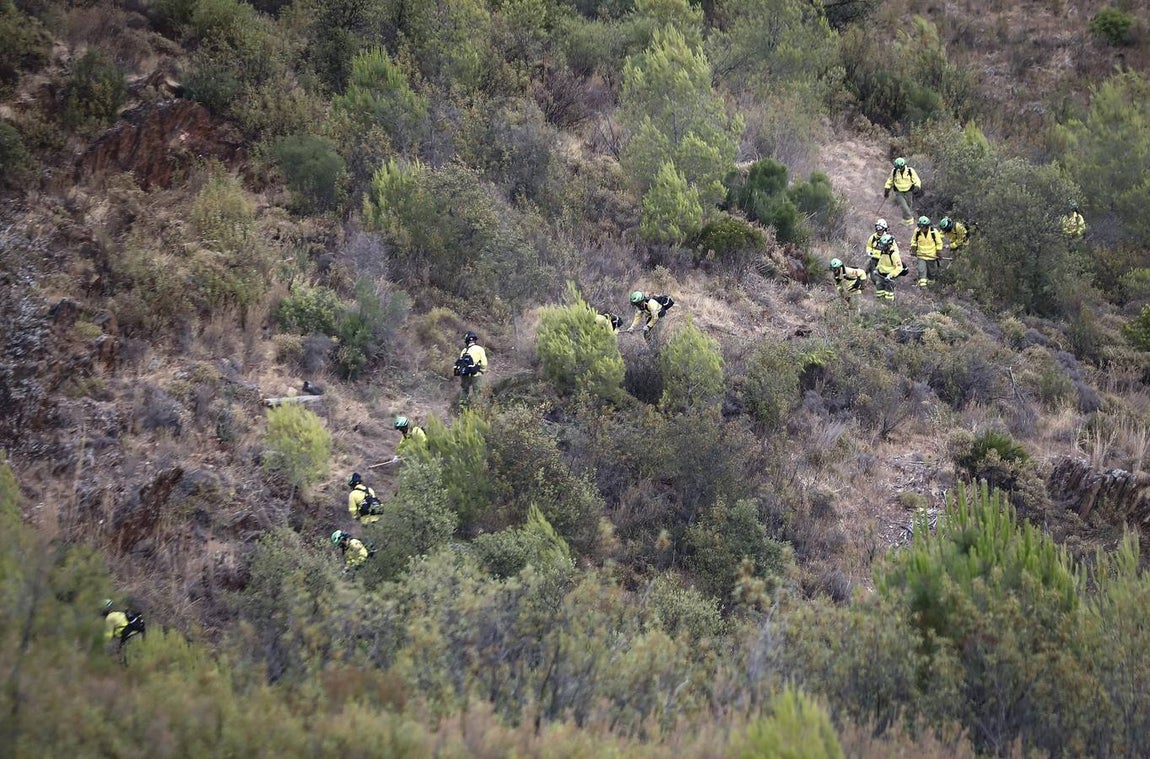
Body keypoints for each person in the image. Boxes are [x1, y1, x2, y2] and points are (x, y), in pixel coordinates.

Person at [883, 157, 922, 224]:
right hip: (899, 192)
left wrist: (917, 187)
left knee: (908, 206)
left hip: (909, 191)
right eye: (897, 168)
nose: (899, 169)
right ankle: (910, 220)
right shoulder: (894, 171)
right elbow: (890, 180)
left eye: (900, 168)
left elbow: (916, 179)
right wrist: (887, 189)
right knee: (904, 206)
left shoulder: (910, 171)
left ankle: (904, 221)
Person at [454, 331, 488, 403]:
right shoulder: (480, 349)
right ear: (474, 340)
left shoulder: (464, 351)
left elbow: (461, 363)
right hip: (476, 374)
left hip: (465, 375)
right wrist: (482, 370)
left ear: (466, 341)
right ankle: (478, 408)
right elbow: (484, 363)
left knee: (464, 391)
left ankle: (462, 407)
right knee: (478, 392)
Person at [910, 216, 944, 287]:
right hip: (921, 256)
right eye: (920, 227)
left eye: (923, 227)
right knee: (921, 271)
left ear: (927, 226)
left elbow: (939, 243)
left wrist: (939, 253)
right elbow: (914, 241)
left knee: (931, 274)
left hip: (931, 257)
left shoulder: (934, 232)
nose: (921, 229)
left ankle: (931, 286)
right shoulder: (917, 231)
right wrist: (913, 249)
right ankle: (923, 287)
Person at [873, 233, 904, 303]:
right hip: (881, 275)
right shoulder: (883, 252)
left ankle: (888, 307)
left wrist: (890, 275)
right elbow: (881, 262)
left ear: (889, 245)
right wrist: (877, 269)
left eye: (883, 245)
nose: (881, 247)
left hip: (890, 277)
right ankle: (879, 304)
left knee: (888, 294)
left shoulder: (894, 254)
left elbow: (899, 268)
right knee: (879, 291)